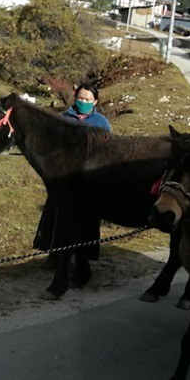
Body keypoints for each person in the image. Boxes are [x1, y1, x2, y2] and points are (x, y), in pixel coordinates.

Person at [33, 82, 111, 279]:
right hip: (63, 178)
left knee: (84, 220)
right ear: (74, 98)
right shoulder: (63, 118)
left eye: (87, 99)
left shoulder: (102, 123)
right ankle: (54, 254)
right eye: (80, 98)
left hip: (88, 180)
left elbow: (108, 150)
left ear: (95, 101)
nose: (83, 102)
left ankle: (82, 258)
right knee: (57, 216)